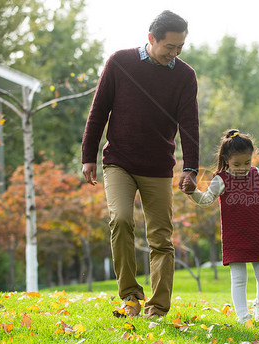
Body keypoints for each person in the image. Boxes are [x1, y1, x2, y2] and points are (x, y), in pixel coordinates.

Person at [81, 10, 199, 318]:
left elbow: (190, 124)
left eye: (180, 47)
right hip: (119, 160)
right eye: (169, 47)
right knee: (120, 219)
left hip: (159, 165)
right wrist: (87, 156)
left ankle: (157, 308)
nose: (174, 53)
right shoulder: (120, 62)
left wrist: (191, 167)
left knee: (161, 237)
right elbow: (98, 112)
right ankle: (130, 297)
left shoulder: (185, 76)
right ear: (151, 39)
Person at [187, 129, 259, 322]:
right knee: (239, 278)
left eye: (247, 163)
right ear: (226, 160)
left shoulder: (256, 175)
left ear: (252, 158)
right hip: (235, 234)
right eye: (237, 164)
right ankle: (242, 316)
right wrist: (192, 192)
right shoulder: (220, 179)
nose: (243, 168)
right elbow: (206, 200)